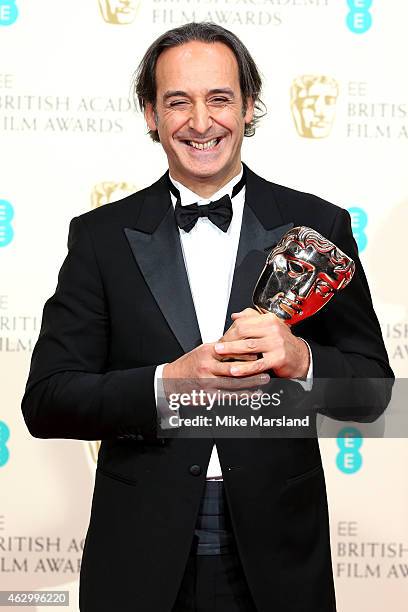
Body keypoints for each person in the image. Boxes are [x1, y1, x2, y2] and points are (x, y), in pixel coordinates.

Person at [21, 22, 393, 612]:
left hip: (280, 557)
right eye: (177, 101)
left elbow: (373, 393)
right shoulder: (100, 238)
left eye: (219, 98)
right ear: (150, 114)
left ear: (249, 107)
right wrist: (168, 384)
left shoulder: (318, 226)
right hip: (139, 550)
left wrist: (302, 359)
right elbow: (47, 400)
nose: (200, 122)